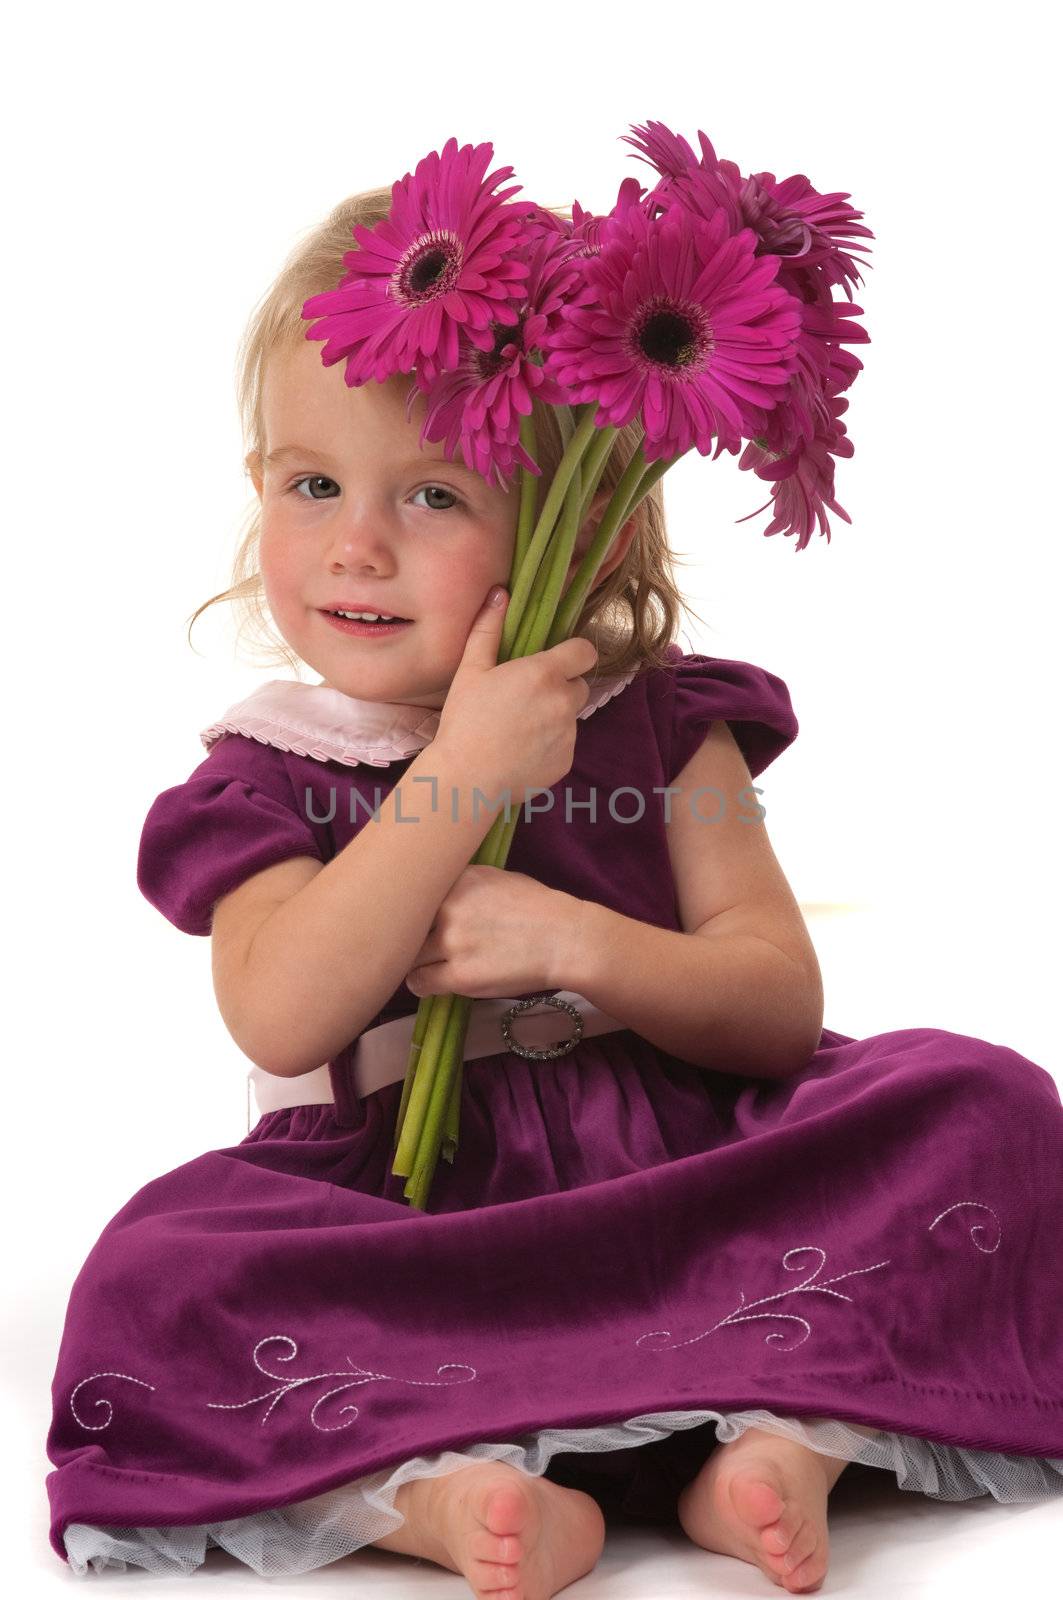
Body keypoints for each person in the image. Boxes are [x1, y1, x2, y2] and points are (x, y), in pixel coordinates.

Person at [45, 187, 1063, 1597]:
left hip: (699, 1193)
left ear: (577, 534)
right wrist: (460, 774)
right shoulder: (267, 776)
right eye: (309, 484)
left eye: (436, 495)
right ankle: (440, 1493)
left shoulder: (665, 727)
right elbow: (282, 1016)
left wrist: (580, 940)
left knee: (986, 1104)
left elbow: (777, 1010)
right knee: (151, 1278)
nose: (355, 544)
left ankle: (787, 1437)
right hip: (423, 1231)